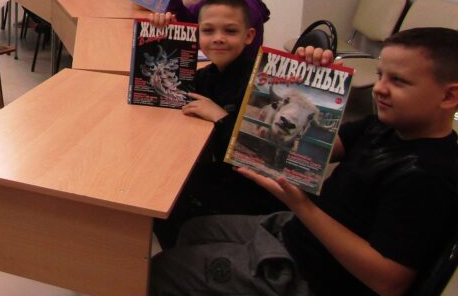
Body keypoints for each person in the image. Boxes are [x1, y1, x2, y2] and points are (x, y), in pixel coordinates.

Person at [151, 27, 458, 296]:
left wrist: (303, 207)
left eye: (399, 81)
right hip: (299, 233)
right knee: (193, 230)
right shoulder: (386, 126)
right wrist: (309, 80)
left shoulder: (427, 175)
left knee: (160, 271)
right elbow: (311, 154)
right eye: (381, 75)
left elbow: (388, 282)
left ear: (449, 97)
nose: (379, 88)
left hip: (315, 276)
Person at [151, 0, 281, 248]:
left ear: (249, 36)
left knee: (165, 197)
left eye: (230, 31)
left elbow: (262, 155)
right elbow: (166, 94)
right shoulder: (208, 75)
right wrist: (164, 35)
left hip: (256, 192)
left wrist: (221, 117)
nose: (218, 38)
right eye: (208, 30)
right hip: (223, 173)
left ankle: (187, 258)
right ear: (197, 35)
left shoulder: (262, 83)